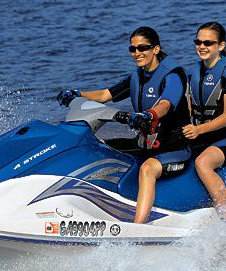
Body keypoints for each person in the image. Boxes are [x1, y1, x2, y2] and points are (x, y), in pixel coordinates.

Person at [57, 26, 190, 224]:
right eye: (133, 49)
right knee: (98, 147)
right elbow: (105, 95)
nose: (137, 53)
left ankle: (137, 228)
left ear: (156, 49)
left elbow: (165, 104)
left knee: (147, 169)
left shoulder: (173, 76)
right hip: (146, 145)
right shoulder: (138, 76)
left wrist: (149, 115)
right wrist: (77, 94)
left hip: (174, 149)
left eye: (143, 48)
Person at [182, 22, 226, 219]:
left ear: (221, 45)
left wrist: (199, 130)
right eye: (198, 42)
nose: (202, 46)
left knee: (202, 163)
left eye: (208, 43)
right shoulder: (192, 72)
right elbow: (189, 109)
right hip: (203, 135)